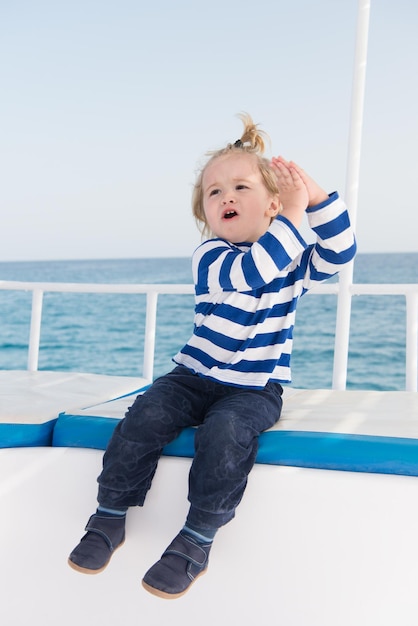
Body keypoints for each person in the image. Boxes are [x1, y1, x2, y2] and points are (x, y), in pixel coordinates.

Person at [68, 113, 356, 599]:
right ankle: (109, 515)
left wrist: (316, 197)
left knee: (227, 435)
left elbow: (340, 253)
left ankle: (197, 539)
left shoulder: (290, 259)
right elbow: (254, 270)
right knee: (145, 416)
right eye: (214, 192)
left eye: (241, 187)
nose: (226, 197)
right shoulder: (213, 256)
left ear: (269, 205)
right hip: (192, 377)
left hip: (254, 389)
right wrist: (290, 214)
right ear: (205, 213)